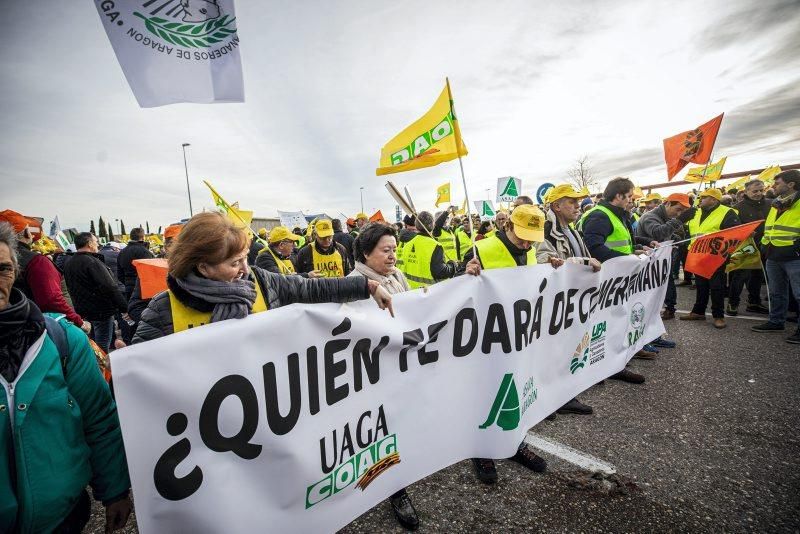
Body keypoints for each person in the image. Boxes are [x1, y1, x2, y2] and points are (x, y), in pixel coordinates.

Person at [0, 222, 132, 533]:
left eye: (3, 268)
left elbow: (99, 416)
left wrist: (114, 491)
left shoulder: (62, 340)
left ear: (15, 272)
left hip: (62, 519)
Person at [133, 212, 392, 343]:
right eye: (235, 263)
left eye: (246, 257)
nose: (246, 269)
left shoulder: (261, 281)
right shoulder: (163, 313)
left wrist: (367, 285)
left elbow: (310, 289)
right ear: (203, 267)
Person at [460, 205, 558, 483]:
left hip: (517, 334)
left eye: (531, 237)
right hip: (484, 336)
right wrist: (465, 271)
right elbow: (454, 287)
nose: (527, 243)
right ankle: (482, 449)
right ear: (507, 226)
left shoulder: (528, 249)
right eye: (522, 236)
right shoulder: (483, 249)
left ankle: (515, 443)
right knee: (484, 391)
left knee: (514, 388)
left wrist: (551, 268)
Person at [580, 178, 657, 379]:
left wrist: (642, 246)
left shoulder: (617, 215)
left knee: (622, 317)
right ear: (618, 196)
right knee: (609, 322)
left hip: (621, 277)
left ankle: (624, 354)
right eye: (629, 196)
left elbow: (624, 242)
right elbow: (594, 247)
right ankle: (612, 366)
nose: (631, 200)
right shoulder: (600, 216)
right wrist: (629, 260)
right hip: (607, 279)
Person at [536, 185, 601, 416]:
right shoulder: (545, 229)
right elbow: (545, 261)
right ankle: (559, 397)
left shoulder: (571, 229)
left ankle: (569, 386)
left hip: (573, 297)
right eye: (571, 201)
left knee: (572, 341)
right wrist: (583, 263)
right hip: (556, 300)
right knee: (557, 346)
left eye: (578, 201)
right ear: (556, 206)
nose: (577, 206)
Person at [0, 210, 89, 334]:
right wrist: (78, 322)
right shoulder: (36, 262)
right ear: (26, 233)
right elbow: (51, 300)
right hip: (39, 332)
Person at [680, 188, 741, 329]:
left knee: (716, 286)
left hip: (715, 256)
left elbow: (733, 234)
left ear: (714, 199)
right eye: (700, 197)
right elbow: (688, 230)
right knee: (701, 285)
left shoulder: (727, 212)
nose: (700, 199)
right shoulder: (696, 212)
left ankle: (718, 316)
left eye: (704, 197)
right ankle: (698, 311)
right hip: (697, 254)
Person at [751, 170, 800, 344]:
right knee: (776, 292)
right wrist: (765, 245)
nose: (773, 186)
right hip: (773, 254)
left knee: (799, 294)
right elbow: (770, 227)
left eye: (777, 183)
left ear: (791, 184)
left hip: (794, 256)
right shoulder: (777, 204)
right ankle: (776, 321)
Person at [63, 232, 129, 352]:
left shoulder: (69, 263)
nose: (97, 244)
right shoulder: (92, 262)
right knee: (102, 346)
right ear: (89, 243)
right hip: (101, 311)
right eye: (95, 241)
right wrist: (124, 307)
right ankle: (101, 369)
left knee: (91, 344)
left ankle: (94, 366)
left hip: (82, 311)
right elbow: (109, 286)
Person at [636, 193, 694, 320]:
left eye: (683, 212)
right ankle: (651, 313)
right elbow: (657, 233)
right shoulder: (650, 217)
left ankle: (669, 308)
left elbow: (665, 233)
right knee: (654, 287)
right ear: (668, 203)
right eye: (678, 209)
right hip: (648, 260)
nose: (679, 214)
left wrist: (674, 238)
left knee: (667, 281)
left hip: (661, 259)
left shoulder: (665, 216)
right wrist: (679, 221)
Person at [727, 179, 771, 316]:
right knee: (740, 276)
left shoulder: (771, 204)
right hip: (745, 247)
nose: (758, 193)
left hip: (765, 245)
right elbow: (732, 227)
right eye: (755, 191)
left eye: (761, 190)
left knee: (758, 276)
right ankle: (732, 304)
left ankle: (754, 302)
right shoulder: (737, 207)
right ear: (746, 192)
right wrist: (744, 232)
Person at [398, 211, 458, 289]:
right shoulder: (435, 246)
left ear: (416, 225)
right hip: (429, 292)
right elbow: (440, 272)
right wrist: (452, 265)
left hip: (411, 291)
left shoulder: (407, 244)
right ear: (433, 225)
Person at [117, 227, 154, 301]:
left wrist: (127, 283)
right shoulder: (145, 252)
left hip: (128, 287)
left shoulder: (122, 252)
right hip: (142, 289)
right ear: (143, 237)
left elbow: (120, 273)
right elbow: (151, 272)